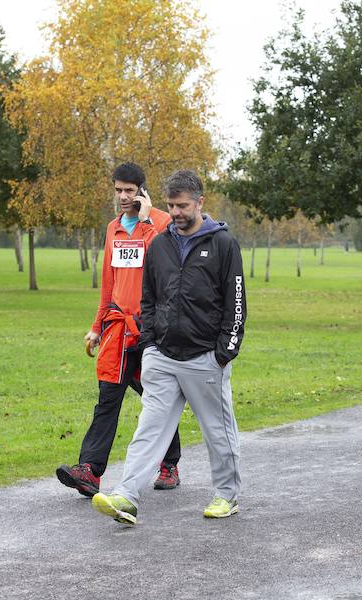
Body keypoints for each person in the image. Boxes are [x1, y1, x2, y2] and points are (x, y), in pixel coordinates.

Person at [91, 169, 246, 525]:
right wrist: (149, 346)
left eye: (182, 206)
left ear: (200, 202)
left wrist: (224, 352)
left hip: (205, 358)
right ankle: (127, 496)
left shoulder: (222, 244)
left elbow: (236, 303)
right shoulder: (160, 244)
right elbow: (149, 298)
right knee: (149, 429)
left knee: (218, 432)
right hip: (162, 356)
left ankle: (226, 495)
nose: (175, 213)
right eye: (172, 206)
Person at [56, 162, 183, 497]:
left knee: (157, 398)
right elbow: (108, 282)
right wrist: (96, 326)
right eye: (118, 190)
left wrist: (145, 221)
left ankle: (169, 465)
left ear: (142, 190)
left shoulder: (161, 223)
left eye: (129, 190)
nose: (123, 196)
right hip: (117, 327)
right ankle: (90, 472)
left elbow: (168, 260)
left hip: (152, 328)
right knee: (107, 397)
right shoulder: (113, 228)